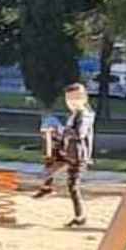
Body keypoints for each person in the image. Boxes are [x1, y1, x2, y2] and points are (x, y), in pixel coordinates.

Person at [35, 83, 95, 228]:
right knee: (50, 161)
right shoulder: (75, 114)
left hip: (78, 155)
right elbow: (67, 135)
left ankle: (80, 217)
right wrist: (54, 134)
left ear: (84, 98)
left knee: (73, 186)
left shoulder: (84, 115)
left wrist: (61, 130)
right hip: (69, 152)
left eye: (76, 98)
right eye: (69, 99)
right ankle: (46, 187)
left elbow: (79, 133)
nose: (72, 102)